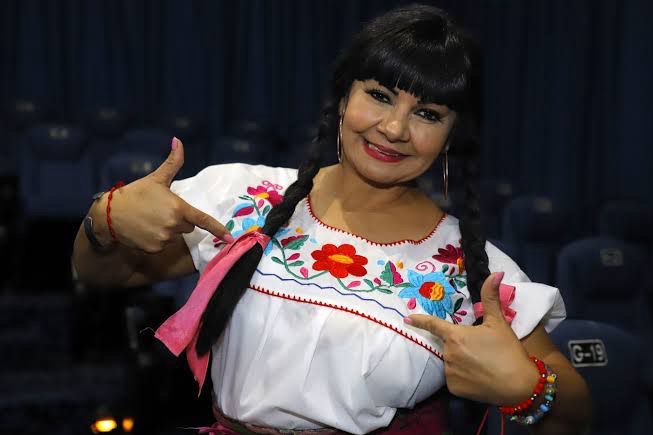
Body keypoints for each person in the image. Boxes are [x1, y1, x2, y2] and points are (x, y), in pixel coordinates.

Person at [72, 4, 591, 435]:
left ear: (453, 134)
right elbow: (97, 272)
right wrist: (104, 221)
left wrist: (530, 389)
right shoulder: (243, 197)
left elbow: (577, 413)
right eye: (380, 96)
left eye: (428, 114)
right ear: (344, 96)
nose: (394, 129)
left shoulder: (471, 270)